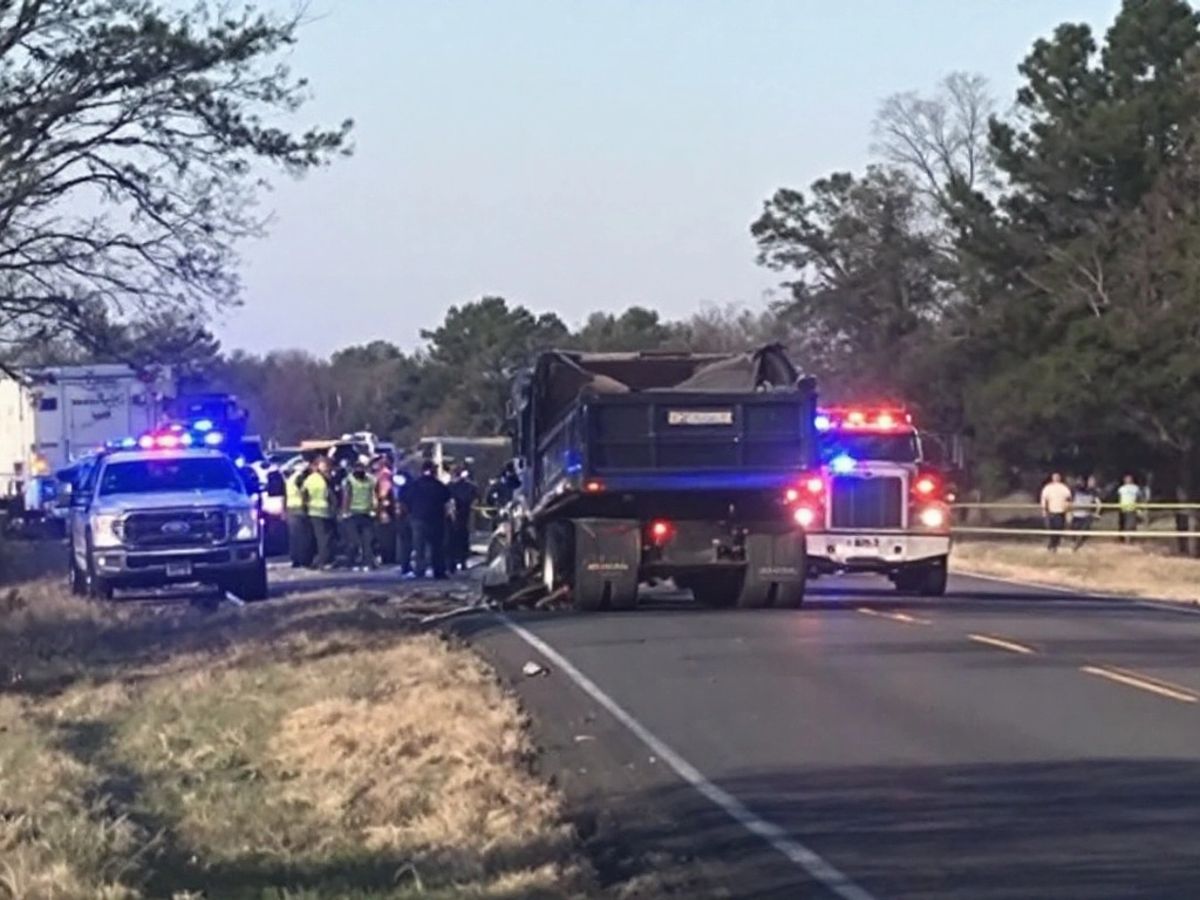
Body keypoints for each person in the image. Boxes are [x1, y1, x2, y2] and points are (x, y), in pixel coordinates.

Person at [403, 460, 452, 579]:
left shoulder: (414, 485)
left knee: (419, 547)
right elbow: (447, 502)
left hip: (418, 519)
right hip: (436, 520)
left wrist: (410, 514)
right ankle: (438, 571)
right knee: (437, 547)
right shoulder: (439, 486)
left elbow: (405, 501)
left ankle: (419, 571)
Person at [341, 457, 377, 571]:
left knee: (368, 541)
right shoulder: (349, 480)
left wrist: (374, 509)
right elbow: (346, 496)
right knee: (354, 541)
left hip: (366, 513)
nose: (360, 471)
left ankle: (368, 562)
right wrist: (345, 511)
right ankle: (351, 562)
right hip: (353, 514)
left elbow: (373, 495)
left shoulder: (370, 480)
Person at [303, 455, 336, 569]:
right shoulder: (325, 479)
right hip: (324, 511)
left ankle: (319, 560)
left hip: (313, 511)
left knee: (319, 538)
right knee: (324, 538)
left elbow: (304, 494)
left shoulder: (310, 479)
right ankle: (323, 561)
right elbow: (331, 495)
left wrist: (306, 507)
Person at [447, 466, 478, 573]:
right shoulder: (469, 487)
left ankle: (453, 563)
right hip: (463, 516)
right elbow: (474, 499)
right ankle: (461, 561)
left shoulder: (449, 486)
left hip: (454, 517)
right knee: (462, 539)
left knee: (453, 541)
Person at [285, 458, 314, 568]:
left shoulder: (290, 479)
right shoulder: (300, 479)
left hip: (291, 509)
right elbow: (303, 493)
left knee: (294, 537)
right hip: (300, 509)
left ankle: (295, 559)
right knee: (304, 537)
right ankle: (304, 560)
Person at [373, 458, 398, 566]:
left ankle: (386, 556)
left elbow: (384, 491)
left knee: (385, 534)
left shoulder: (383, 475)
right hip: (386, 508)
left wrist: (383, 508)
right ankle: (388, 556)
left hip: (384, 508)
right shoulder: (387, 475)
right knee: (387, 534)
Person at [1040, 472, 1072, 552]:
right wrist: (1044, 509)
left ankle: (1054, 545)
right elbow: (1044, 499)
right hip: (1051, 511)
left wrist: (1067, 509)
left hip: (1060, 511)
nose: (1056, 479)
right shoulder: (1048, 488)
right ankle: (1052, 544)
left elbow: (1068, 499)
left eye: (1057, 477)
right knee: (1051, 529)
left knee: (1058, 529)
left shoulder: (1064, 488)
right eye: (1054, 477)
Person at [1069, 476, 1101, 551]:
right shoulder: (1075, 491)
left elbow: (1098, 503)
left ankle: (1077, 545)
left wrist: (1096, 512)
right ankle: (1076, 543)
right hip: (1076, 514)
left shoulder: (1092, 492)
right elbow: (1070, 502)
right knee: (1074, 530)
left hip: (1085, 515)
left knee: (1082, 531)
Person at [1117, 474, 1142, 543]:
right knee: (1123, 524)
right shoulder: (1121, 488)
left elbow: (1138, 498)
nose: (1128, 480)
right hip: (1123, 508)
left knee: (1130, 524)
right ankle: (1124, 538)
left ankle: (1128, 540)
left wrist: (1139, 508)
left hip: (1132, 508)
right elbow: (1119, 498)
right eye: (1126, 479)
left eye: (1129, 478)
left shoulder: (1135, 488)